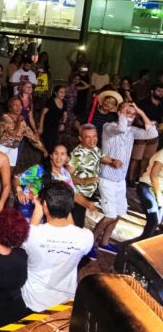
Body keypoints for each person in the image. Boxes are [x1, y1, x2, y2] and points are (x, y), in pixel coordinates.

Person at [93, 102, 157, 254]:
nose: (131, 116)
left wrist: (140, 112)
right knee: (110, 216)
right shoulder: (109, 127)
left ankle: (104, 242)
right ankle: (90, 243)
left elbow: (153, 134)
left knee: (119, 214)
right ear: (119, 112)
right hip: (107, 178)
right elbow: (121, 128)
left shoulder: (132, 131)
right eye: (127, 112)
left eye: (133, 114)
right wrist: (125, 112)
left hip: (120, 181)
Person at [21, 181, 92, 312]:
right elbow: (72, 230)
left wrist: (37, 209)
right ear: (71, 206)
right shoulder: (86, 237)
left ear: (44, 205)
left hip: (33, 301)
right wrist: (65, 207)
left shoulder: (32, 234)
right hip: (65, 304)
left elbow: (27, 237)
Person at [68, 124, 118, 230]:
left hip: (87, 194)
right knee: (75, 226)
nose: (92, 140)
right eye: (88, 137)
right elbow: (66, 176)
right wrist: (85, 181)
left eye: (94, 136)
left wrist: (113, 161)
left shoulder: (95, 149)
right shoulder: (78, 154)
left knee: (78, 223)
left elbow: (102, 157)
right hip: (76, 196)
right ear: (80, 138)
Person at [15, 144, 74, 220]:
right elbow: (17, 178)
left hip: (49, 214)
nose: (59, 157)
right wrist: (19, 190)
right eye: (56, 153)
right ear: (51, 156)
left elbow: (71, 194)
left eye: (62, 154)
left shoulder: (66, 175)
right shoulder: (39, 169)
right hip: (28, 210)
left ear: (67, 158)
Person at [0, 96, 47, 168]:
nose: (18, 107)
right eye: (15, 105)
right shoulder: (5, 118)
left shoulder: (22, 122)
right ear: (10, 108)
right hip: (3, 148)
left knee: (10, 171)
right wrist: (18, 121)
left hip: (14, 149)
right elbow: (13, 133)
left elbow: (32, 137)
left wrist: (44, 150)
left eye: (20, 105)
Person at [137, 147, 163, 240]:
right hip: (148, 186)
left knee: (158, 222)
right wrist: (159, 196)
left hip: (159, 190)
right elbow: (153, 175)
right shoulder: (162, 154)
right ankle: (139, 246)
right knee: (154, 221)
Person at [38, 85, 67, 153]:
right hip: (47, 126)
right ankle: (46, 158)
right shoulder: (50, 101)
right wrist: (41, 127)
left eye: (64, 92)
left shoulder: (64, 102)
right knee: (48, 146)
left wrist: (63, 124)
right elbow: (43, 114)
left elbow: (65, 115)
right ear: (56, 93)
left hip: (55, 127)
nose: (63, 94)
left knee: (53, 145)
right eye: (61, 92)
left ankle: (49, 158)